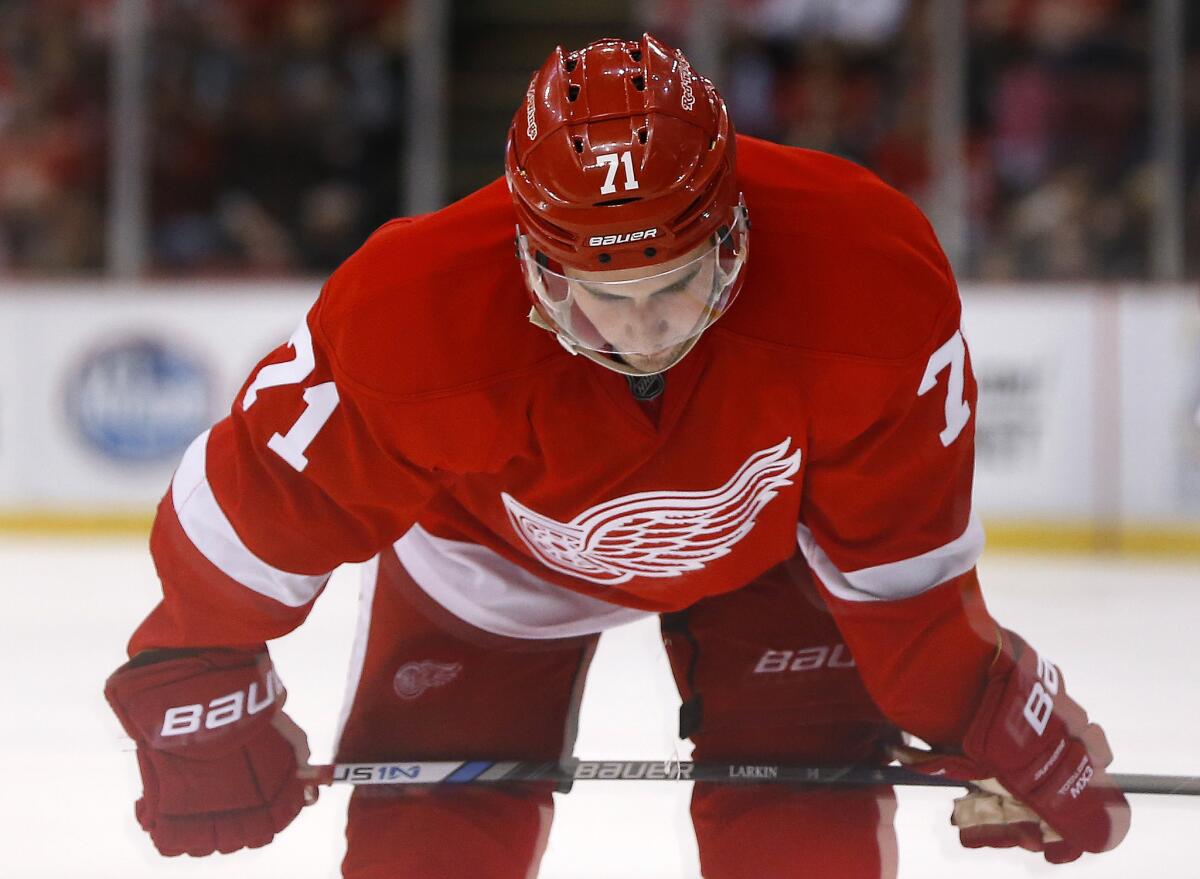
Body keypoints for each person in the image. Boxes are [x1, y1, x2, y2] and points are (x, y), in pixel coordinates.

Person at [103, 34, 1130, 878]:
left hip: (773, 559)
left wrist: (986, 701)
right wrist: (193, 672)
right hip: (490, 568)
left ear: (733, 235)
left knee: (804, 854)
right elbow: (255, 510)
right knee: (424, 861)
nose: (645, 332)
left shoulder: (868, 277)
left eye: (675, 283)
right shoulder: (412, 311)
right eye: (605, 295)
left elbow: (903, 582)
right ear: (533, 260)